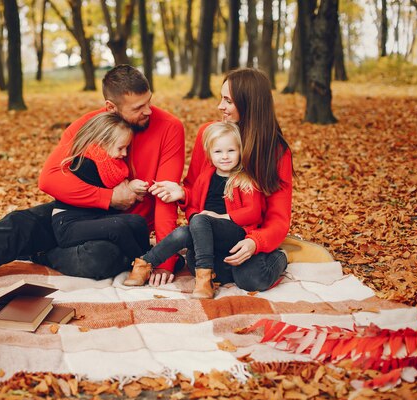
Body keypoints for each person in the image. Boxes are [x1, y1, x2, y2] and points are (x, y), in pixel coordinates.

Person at [0, 65, 185, 283]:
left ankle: (41, 253)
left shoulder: (169, 127)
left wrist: (165, 261)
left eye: (149, 101)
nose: (149, 111)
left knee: (99, 257)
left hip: (120, 228)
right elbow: (50, 179)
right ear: (110, 107)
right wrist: (109, 197)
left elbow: (165, 197)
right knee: (19, 222)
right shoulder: (90, 125)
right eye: (138, 107)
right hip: (77, 212)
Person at [148, 68, 333, 290]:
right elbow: (195, 189)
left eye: (228, 100)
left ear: (249, 104)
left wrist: (256, 242)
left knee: (251, 279)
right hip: (213, 234)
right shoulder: (209, 134)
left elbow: (278, 218)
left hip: (249, 234)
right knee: (199, 264)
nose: (220, 106)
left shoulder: (275, 151)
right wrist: (186, 199)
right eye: (221, 98)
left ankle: (282, 255)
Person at [124, 122, 264, 298]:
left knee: (199, 220)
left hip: (233, 232)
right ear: (210, 155)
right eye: (218, 152)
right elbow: (193, 207)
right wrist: (197, 218)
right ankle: (144, 264)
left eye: (231, 151)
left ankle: (204, 279)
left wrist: (221, 216)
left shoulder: (245, 179)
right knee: (184, 232)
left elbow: (253, 212)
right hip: (204, 232)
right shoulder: (205, 177)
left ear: (240, 151)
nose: (225, 157)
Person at [50, 112, 150, 262]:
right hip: (68, 225)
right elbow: (114, 193)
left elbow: (118, 192)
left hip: (92, 217)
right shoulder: (85, 163)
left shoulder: (110, 166)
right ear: (102, 142)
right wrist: (128, 189)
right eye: (121, 148)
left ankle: (148, 254)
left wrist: (130, 187)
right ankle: (143, 263)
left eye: (127, 148)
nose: (124, 153)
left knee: (138, 222)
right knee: (117, 227)